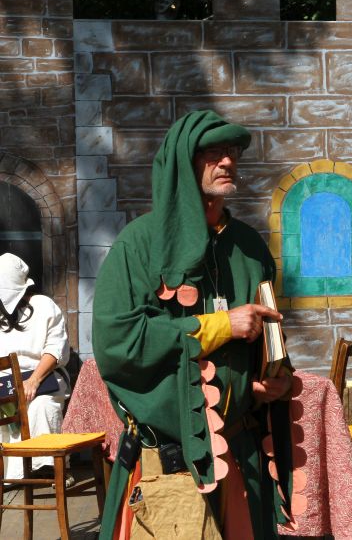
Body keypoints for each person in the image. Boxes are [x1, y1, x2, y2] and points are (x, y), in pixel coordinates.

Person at [93, 110, 299, 539]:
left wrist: (272, 382)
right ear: (183, 163)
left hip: (242, 456)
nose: (228, 161)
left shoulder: (249, 247)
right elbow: (118, 343)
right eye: (212, 153)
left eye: (232, 151)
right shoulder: (139, 245)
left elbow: (268, 339)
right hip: (172, 463)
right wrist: (219, 326)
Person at [0, 252, 71, 481]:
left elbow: (55, 347)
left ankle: (50, 469)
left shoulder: (43, 305)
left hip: (42, 378)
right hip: (5, 383)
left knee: (41, 406)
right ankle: (10, 474)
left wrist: (34, 379)